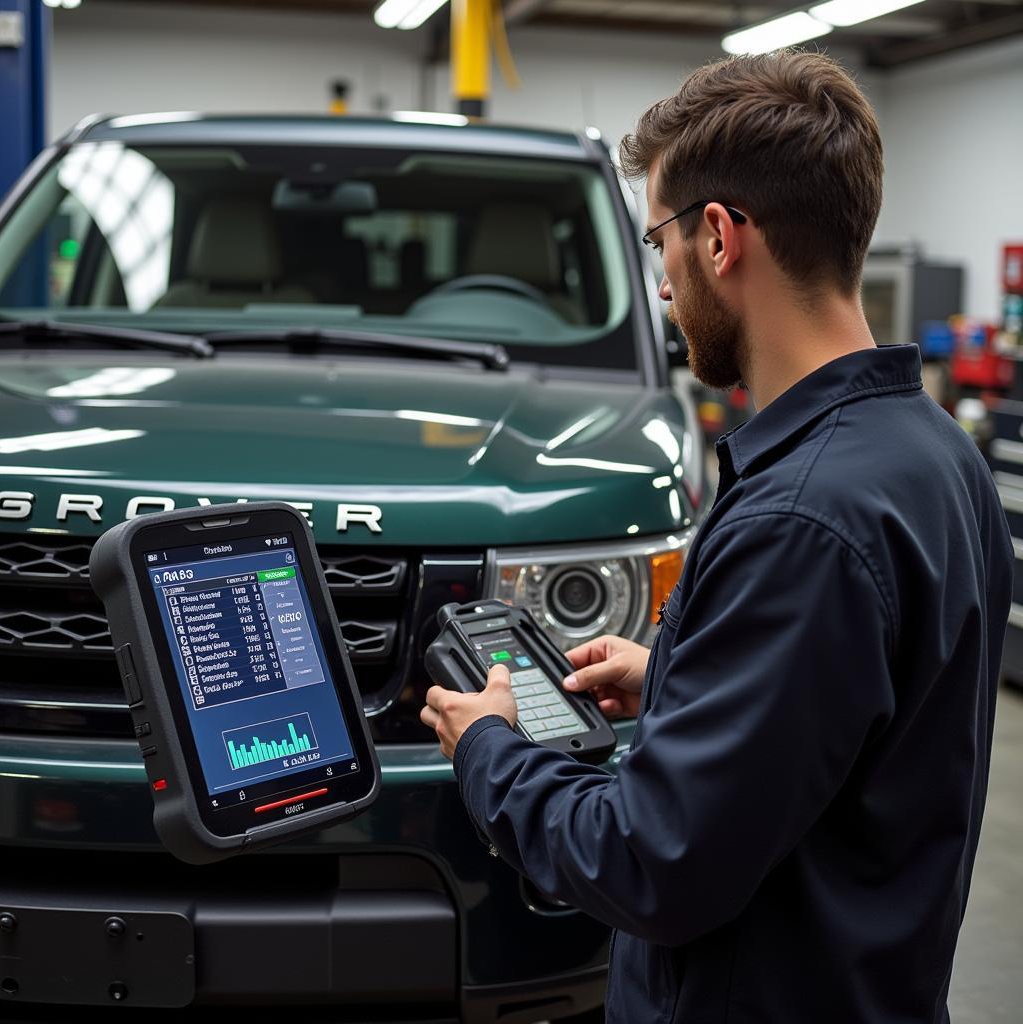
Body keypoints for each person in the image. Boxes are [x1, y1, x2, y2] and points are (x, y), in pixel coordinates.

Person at [420, 49, 1013, 1023]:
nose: (661, 285)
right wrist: (678, 677)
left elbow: (650, 862)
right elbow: (867, 723)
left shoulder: (802, 518)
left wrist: (488, 745)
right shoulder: (935, 457)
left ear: (720, 239)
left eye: (660, 242)